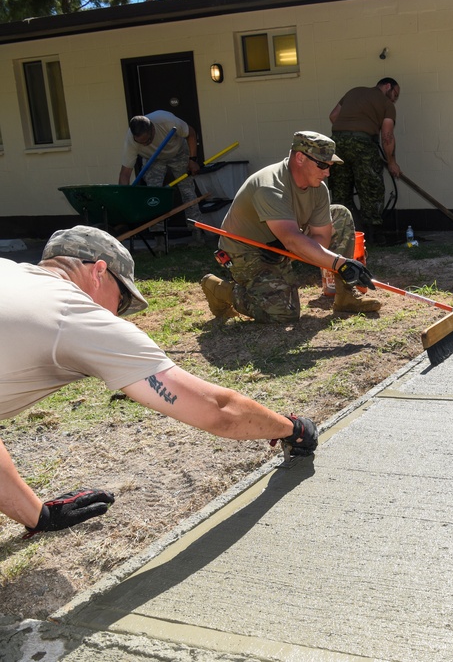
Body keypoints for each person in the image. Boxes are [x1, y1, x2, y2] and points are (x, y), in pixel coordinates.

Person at [0, 225, 318, 538]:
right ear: (98, 272)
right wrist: (291, 428)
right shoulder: (75, 317)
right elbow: (217, 410)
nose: (119, 314)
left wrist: (36, 515)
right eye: (122, 299)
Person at [200, 131, 381, 323]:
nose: (327, 172)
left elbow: (322, 237)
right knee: (283, 314)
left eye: (330, 166)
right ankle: (221, 289)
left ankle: (345, 296)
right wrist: (340, 263)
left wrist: (297, 250)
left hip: (284, 242)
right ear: (300, 157)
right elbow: (293, 239)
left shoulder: (318, 189)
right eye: (322, 165)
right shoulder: (270, 186)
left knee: (339, 214)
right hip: (247, 252)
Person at [327, 77, 401, 241]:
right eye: (395, 94)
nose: (394, 99)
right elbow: (387, 136)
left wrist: (349, 129)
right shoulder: (386, 104)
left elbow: (333, 116)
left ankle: (343, 235)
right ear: (387, 86)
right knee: (371, 188)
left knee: (340, 190)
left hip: (337, 143)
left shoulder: (353, 91)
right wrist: (391, 162)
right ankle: (373, 235)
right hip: (363, 145)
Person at [118, 111, 204, 229]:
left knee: (187, 191)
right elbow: (125, 173)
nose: (145, 144)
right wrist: (124, 199)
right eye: (141, 143)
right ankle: (158, 239)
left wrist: (193, 160)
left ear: (153, 129)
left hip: (178, 153)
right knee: (153, 198)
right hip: (152, 160)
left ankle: (197, 234)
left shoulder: (167, 121)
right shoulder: (131, 140)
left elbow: (192, 133)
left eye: (148, 141)